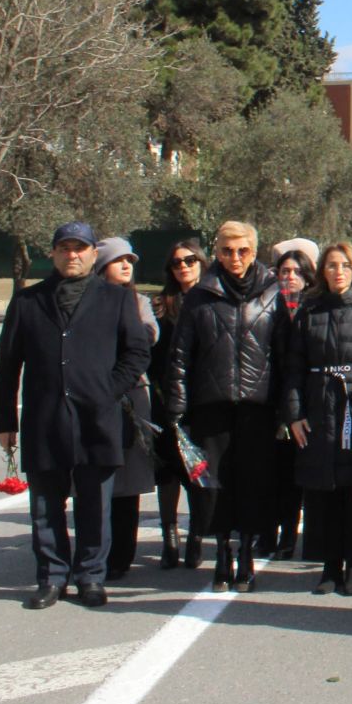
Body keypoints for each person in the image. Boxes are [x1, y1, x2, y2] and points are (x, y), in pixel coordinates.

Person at [0, 222, 152, 609]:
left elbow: (137, 353)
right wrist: (4, 421)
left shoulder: (116, 300)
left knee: (95, 505)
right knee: (45, 506)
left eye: (80, 248)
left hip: (97, 420)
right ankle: (52, 577)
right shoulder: (28, 302)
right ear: (54, 253)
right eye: (65, 248)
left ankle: (90, 577)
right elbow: (8, 363)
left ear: (93, 254)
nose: (73, 255)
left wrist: (108, 390)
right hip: (44, 420)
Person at [166, 220, 286, 593]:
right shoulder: (200, 295)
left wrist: (287, 408)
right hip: (211, 406)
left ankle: (247, 554)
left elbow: (284, 354)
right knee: (213, 486)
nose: (235, 258)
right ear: (216, 252)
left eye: (243, 251)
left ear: (255, 251)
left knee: (252, 482)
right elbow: (180, 355)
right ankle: (221, 554)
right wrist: (177, 407)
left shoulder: (273, 292)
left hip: (258, 406)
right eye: (226, 251)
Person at [280, 242, 352, 596]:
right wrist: (294, 414)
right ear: (322, 270)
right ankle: (328, 563)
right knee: (320, 484)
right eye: (331, 265)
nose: (338, 272)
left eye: (345, 265)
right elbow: (293, 366)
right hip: (318, 402)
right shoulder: (309, 311)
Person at [95, 238, 159, 581]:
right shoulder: (87, 300)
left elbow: (150, 335)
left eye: (129, 260)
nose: (125, 265)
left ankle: (122, 555)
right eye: (117, 260)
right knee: (98, 477)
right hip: (95, 396)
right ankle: (96, 551)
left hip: (134, 395)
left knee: (129, 480)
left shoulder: (140, 301)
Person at [151, 238, 207, 570]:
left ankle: (197, 537)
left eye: (189, 260)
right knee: (168, 473)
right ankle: (169, 538)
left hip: (203, 401)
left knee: (198, 471)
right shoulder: (159, 304)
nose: (183, 266)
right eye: (176, 263)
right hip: (165, 399)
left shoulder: (214, 299)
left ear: (201, 262)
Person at [261, 243, 316, 562]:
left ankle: (288, 535)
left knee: (296, 474)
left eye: (296, 272)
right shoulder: (267, 307)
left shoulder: (314, 308)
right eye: (284, 272)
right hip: (269, 399)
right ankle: (267, 533)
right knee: (271, 473)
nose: (290, 277)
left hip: (304, 402)